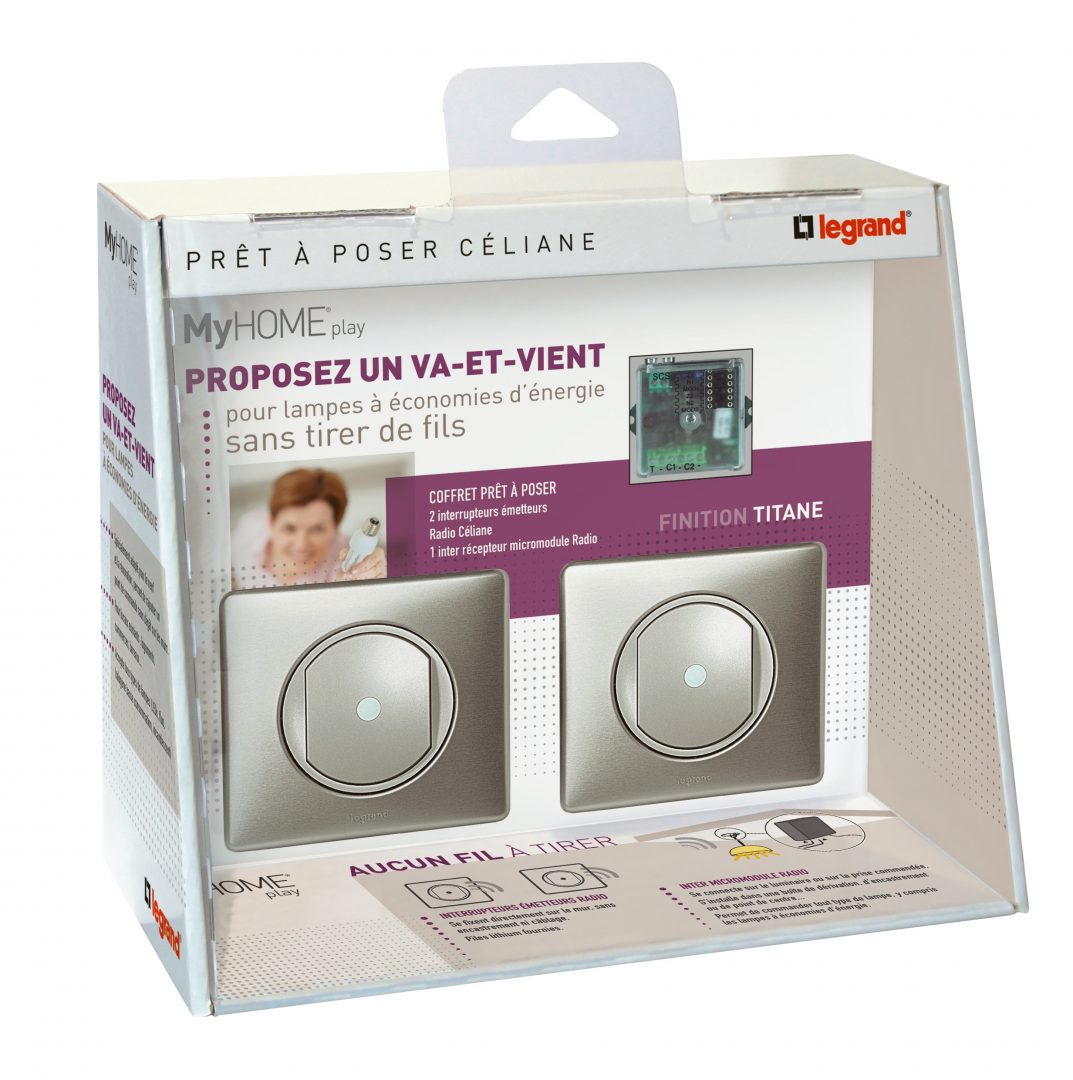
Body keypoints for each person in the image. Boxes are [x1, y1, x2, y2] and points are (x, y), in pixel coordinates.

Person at [230, 468, 387, 590]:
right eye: (289, 528)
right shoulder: (249, 529)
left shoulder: (349, 561)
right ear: (271, 524)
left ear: (335, 528)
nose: (301, 545)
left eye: (317, 529)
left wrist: (375, 574)